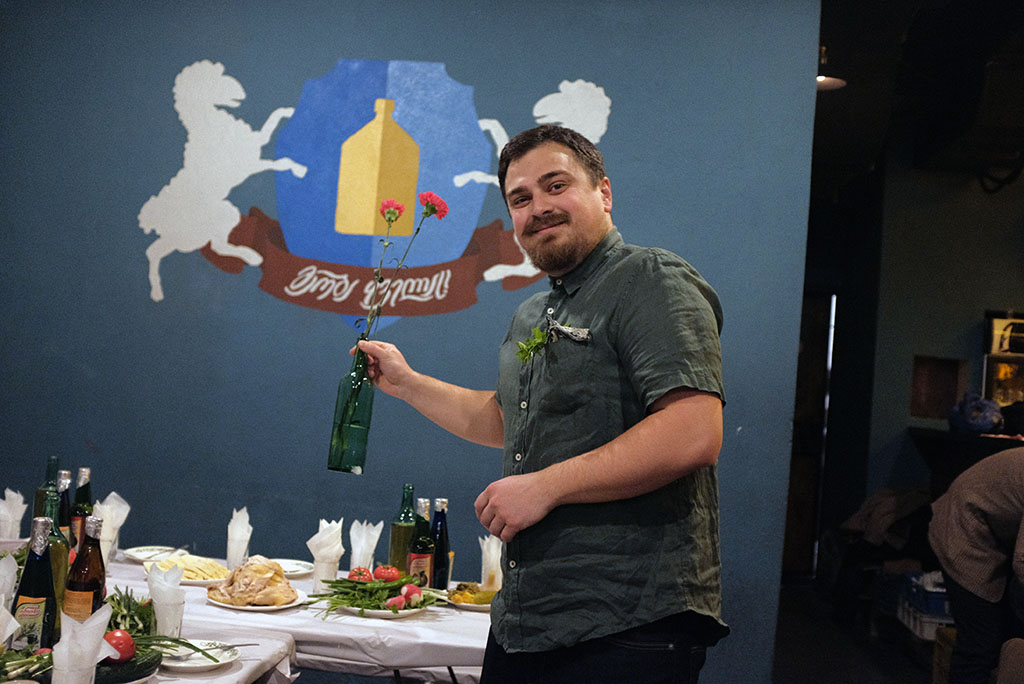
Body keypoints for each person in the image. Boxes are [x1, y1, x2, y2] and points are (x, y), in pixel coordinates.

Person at [357, 124, 728, 683]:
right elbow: (507, 421)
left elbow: (693, 431)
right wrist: (407, 383)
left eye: (556, 186)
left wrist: (544, 487)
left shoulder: (650, 280)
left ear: (604, 192)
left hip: (628, 623)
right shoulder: (534, 312)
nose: (538, 208)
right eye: (520, 198)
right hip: (527, 620)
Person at [928, 447, 1024, 684]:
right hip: (964, 526)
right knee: (981, 644)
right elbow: (1023, 559)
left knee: (1005, 637)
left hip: (995, 531)